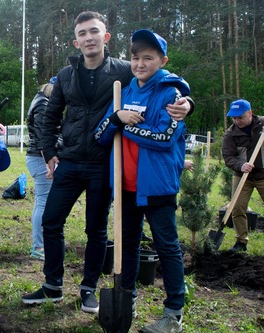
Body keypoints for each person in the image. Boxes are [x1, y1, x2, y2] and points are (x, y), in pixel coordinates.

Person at [21, 11, 192, 314]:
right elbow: (50, 116)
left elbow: (162, 77)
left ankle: (88, 289)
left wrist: (187, 101)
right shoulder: (65, 75)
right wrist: (50, 153)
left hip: (104, 165)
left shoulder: (124, 71)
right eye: (83, 33)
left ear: (105, 36)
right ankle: (53, 285)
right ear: (76, 41)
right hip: (70, 161)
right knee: (51, 220)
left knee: (97, 230)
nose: (89, 37)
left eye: (94, 31)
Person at [95, 29, 188, 333]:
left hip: (157, 185)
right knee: (128, 246)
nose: (140, 63)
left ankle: (173, 313)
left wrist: (125, 125)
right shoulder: (125, 92)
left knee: (167, 246)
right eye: (135, 57)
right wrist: (115, 118)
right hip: (124, 187)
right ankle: (126, 300)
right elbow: (100, 136)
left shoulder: (171, 93)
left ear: (162, 60)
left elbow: (163, 137)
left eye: (148, 57)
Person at [222, 99, 264, 253]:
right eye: (234, 118)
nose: (237, 121)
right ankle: (241, 241)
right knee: (238, 208)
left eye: (240, 117)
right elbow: (228, 157)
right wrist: (241, 165)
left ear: (250, 113)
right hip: (242, 176)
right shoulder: (231, 134)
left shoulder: (262, 124)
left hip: (263, 174)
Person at [25, 77, 57, 260]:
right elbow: (43, 136)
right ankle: (39, 246)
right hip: (40, 158)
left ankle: (42, 243)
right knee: (42, 201)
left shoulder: (40, 101)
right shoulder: (43, 105)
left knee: (43, 200)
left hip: (39, 157)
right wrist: (48, 163)